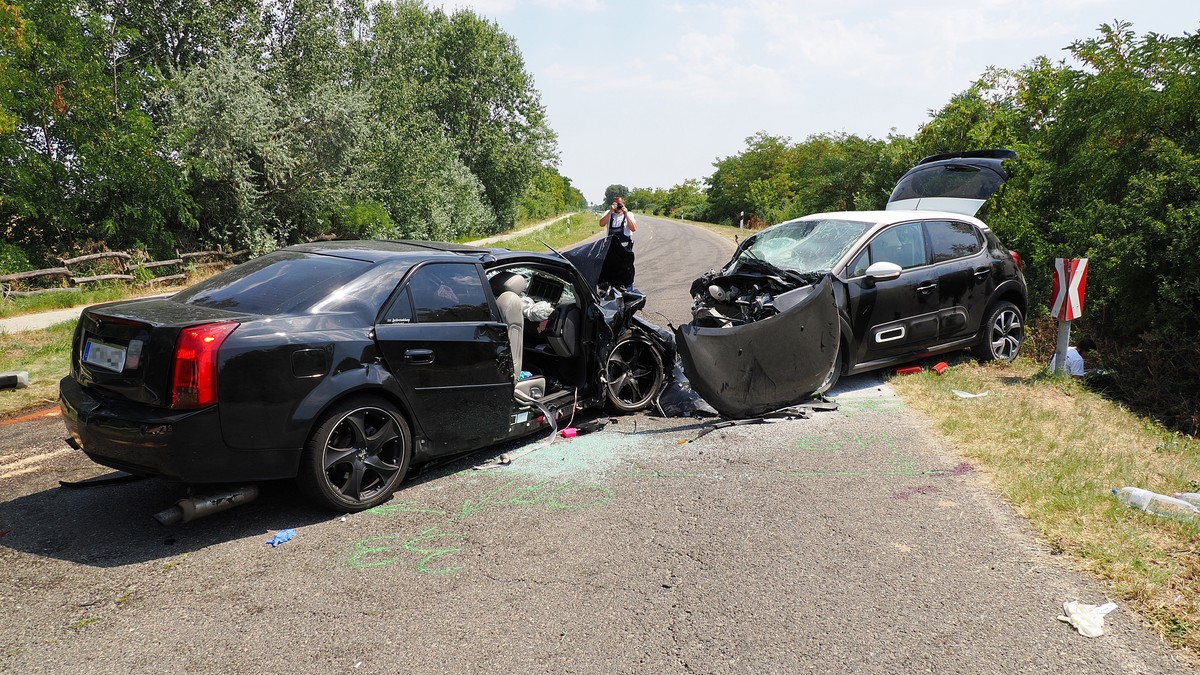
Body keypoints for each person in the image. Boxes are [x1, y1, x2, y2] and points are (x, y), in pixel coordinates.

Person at [599, 196, 637, 289]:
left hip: (625, 249)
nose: (618, 206)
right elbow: (601, 224)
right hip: (612, 248)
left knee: (626, 272)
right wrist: (611, 211)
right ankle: (611, 290)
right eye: (616, 204)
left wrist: (626, 213)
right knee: (611, 271)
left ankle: (628, 290)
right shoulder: (608, 213)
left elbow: (633, 228)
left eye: (620, 204)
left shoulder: (629, 214)